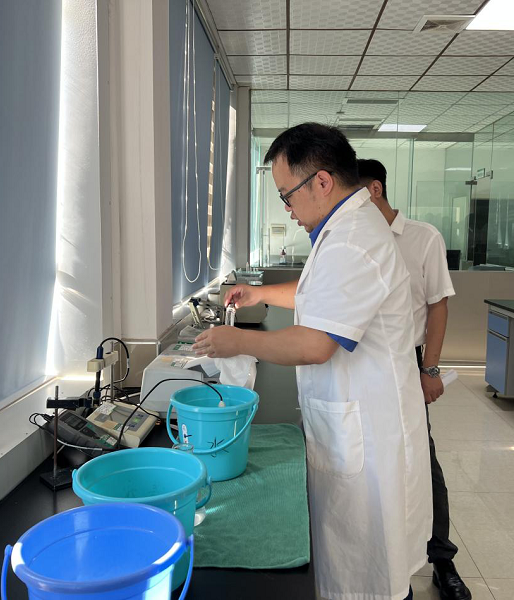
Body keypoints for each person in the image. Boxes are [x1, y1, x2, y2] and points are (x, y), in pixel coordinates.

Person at [193, 123, 431, 600]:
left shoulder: (353, 239)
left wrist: (236, 342)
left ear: (321, 181)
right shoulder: (346, 228)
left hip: (368, 434)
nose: (288, 208)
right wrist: (260, 294)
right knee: (361, 568)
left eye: (287, 195)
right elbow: (318, 294)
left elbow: (317, 343)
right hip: (355, 420)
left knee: (371, 577)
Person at [357, 159, 469, 600]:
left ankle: (442, 559)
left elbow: (438, 304)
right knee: (372, 455)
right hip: (363, 359)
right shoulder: (354, 239)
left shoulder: (424, 238)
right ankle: (382, 552)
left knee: (422, 456)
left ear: (375, 190)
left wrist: (430, 369)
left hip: (408, 358)